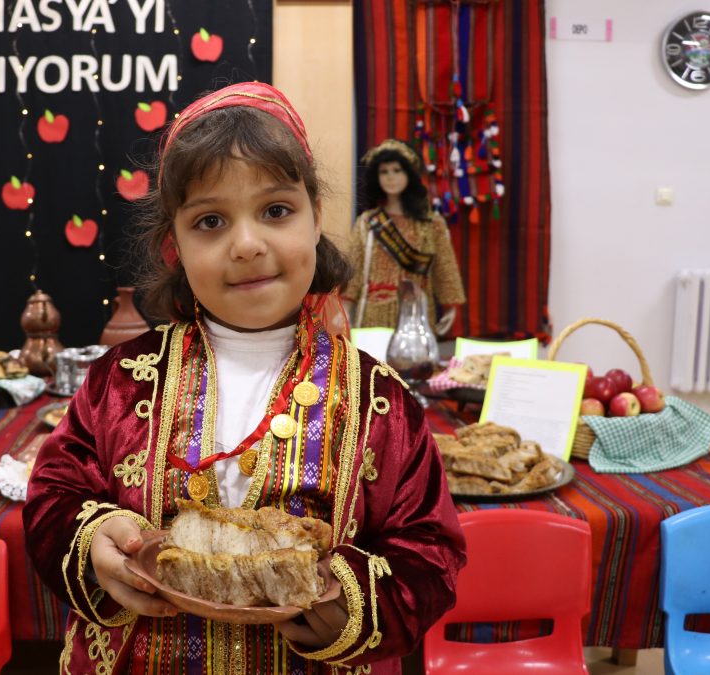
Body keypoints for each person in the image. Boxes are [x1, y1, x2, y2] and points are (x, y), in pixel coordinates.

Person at [23, 82, 465, 674]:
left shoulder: (380, 403)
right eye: (210, 220)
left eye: (276, 211)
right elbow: (53, 496)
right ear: (173, 246)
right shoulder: (120, 383)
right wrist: (95, 543)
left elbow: (430, 553)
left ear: (315, 221)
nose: (248, 244)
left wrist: (350, 599)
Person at [344, 139, 466, 336]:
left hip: (417, 313)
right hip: (374, 315)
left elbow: (445, 268)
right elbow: (354, 268)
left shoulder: (431, 224)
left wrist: (451, 305)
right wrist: (345, 307)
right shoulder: (367, 223)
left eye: (397, 170)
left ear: (409, 174)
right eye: (384, 172)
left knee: (415, 365)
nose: (390, 177)